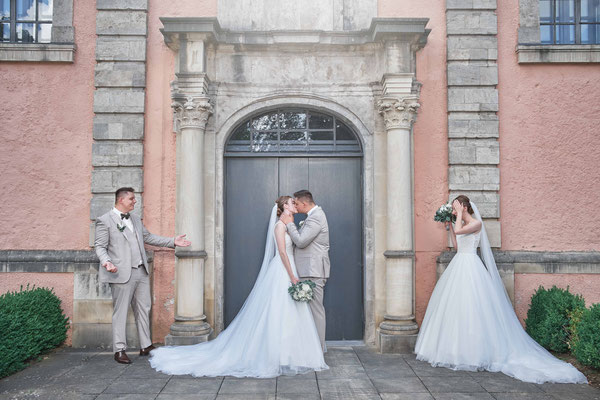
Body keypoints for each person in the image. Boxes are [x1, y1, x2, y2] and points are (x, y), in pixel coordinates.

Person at [414, 195, 587, 384]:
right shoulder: (462, 224)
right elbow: (457, 246)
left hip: (471, 266)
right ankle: (453, 349)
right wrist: (449, 227)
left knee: (474, 308)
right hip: (459, 263)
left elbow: (461, 230)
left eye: (456, 207)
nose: (454, 211)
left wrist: (457, 217)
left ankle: (475, 352)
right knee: (456, 308)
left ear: (464, 207)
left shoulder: (476, 223)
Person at [149, 196, 328, 378]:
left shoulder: (290, 224)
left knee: (292, 313)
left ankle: (292, 354)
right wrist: (291, 276)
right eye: (291, 202)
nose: (295, 204)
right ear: (284, 207)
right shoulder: (280, 226)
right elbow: (282, 252)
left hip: (292, 268)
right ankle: (277, 355)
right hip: (284, 270)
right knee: (279, 312)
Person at [94, 187, 191, 364]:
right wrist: (106, 261)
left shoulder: (136, 219)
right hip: (120, 273)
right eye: (131, 199)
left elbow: (148, 237)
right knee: (121, 312)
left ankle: (145, 346)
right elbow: (100, 246)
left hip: (141, 271)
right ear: (121, 200)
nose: (134, 201)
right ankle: (120, 350)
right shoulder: (104, 220)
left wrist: (172, 241)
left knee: (144, 309)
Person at [280, 190, 330, 352]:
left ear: (304, 204)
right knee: (306, 312)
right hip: (307, 269)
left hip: (313, 270)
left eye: (296, 203)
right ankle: (308, 347)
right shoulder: (312, 217)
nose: (295, 205)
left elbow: (301, 242)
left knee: (316, 311)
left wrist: (289, 224)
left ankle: (318, 348)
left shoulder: (316, 217)